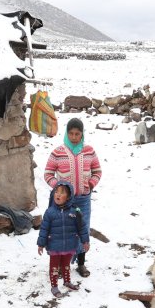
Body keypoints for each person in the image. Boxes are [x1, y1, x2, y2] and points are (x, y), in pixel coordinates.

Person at [43, 117, 102, 277]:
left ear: (82, 134)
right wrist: (59, 187)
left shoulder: (89, 151)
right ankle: (63, 265)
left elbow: (97, 171)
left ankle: (81, 263)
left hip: (83, 199)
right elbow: (48, 173)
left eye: (77, 134)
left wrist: (90, 184)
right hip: (64, 202)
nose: (74, 137)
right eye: (71, 133)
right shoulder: (58, 152)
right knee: (64, 232)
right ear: (66, 133)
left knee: (82, 230)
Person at [37, 180, 90, 298]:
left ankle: (67, 281)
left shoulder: (75, 211)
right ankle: (54, 286)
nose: (58, 195)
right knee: (54, 267)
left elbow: (82, 227)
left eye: (62, 193)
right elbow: (44, 229)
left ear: (69, 196)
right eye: (56, 192)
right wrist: (41, 244)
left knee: (66, 265)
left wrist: (85, 241)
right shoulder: (50, 212)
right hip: (54, 245)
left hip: (69, 244)